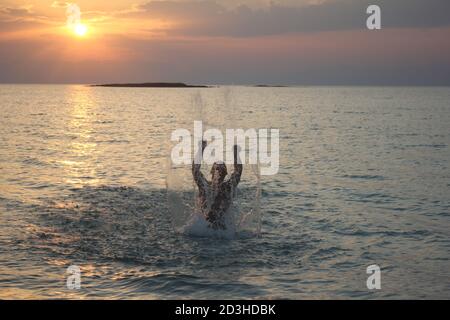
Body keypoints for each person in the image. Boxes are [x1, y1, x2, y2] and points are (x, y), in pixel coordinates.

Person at [192, 140, 243, 230]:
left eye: (221, 170)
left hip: (221, 228)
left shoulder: (228, 187)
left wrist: (236, 154)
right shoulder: (204, 186)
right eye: (217, 169)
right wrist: (201, 149)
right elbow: (195, 170)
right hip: (204, 227)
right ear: (211, 172)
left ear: (225, 174)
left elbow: (238, 171)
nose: (219, 172)